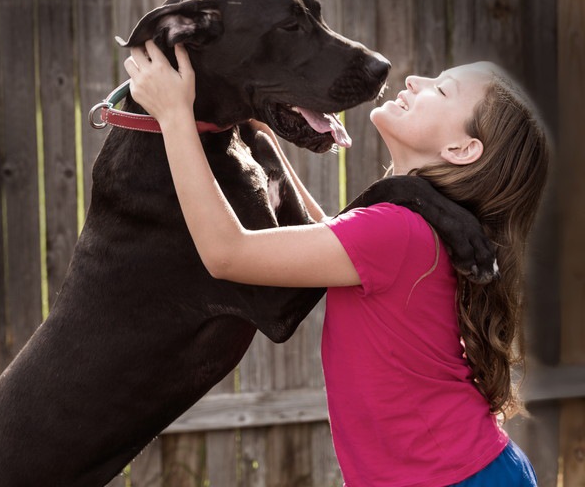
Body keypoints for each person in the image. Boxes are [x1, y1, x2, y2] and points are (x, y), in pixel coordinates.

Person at [124, 40, 549, 487]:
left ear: (462, 150)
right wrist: (258, 126)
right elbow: (326, 231)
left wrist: (173, 116)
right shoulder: (410, 230)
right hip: (467, 468)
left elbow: (226, 253)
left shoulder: (397, 231)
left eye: (441, 90)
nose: (414, 80)